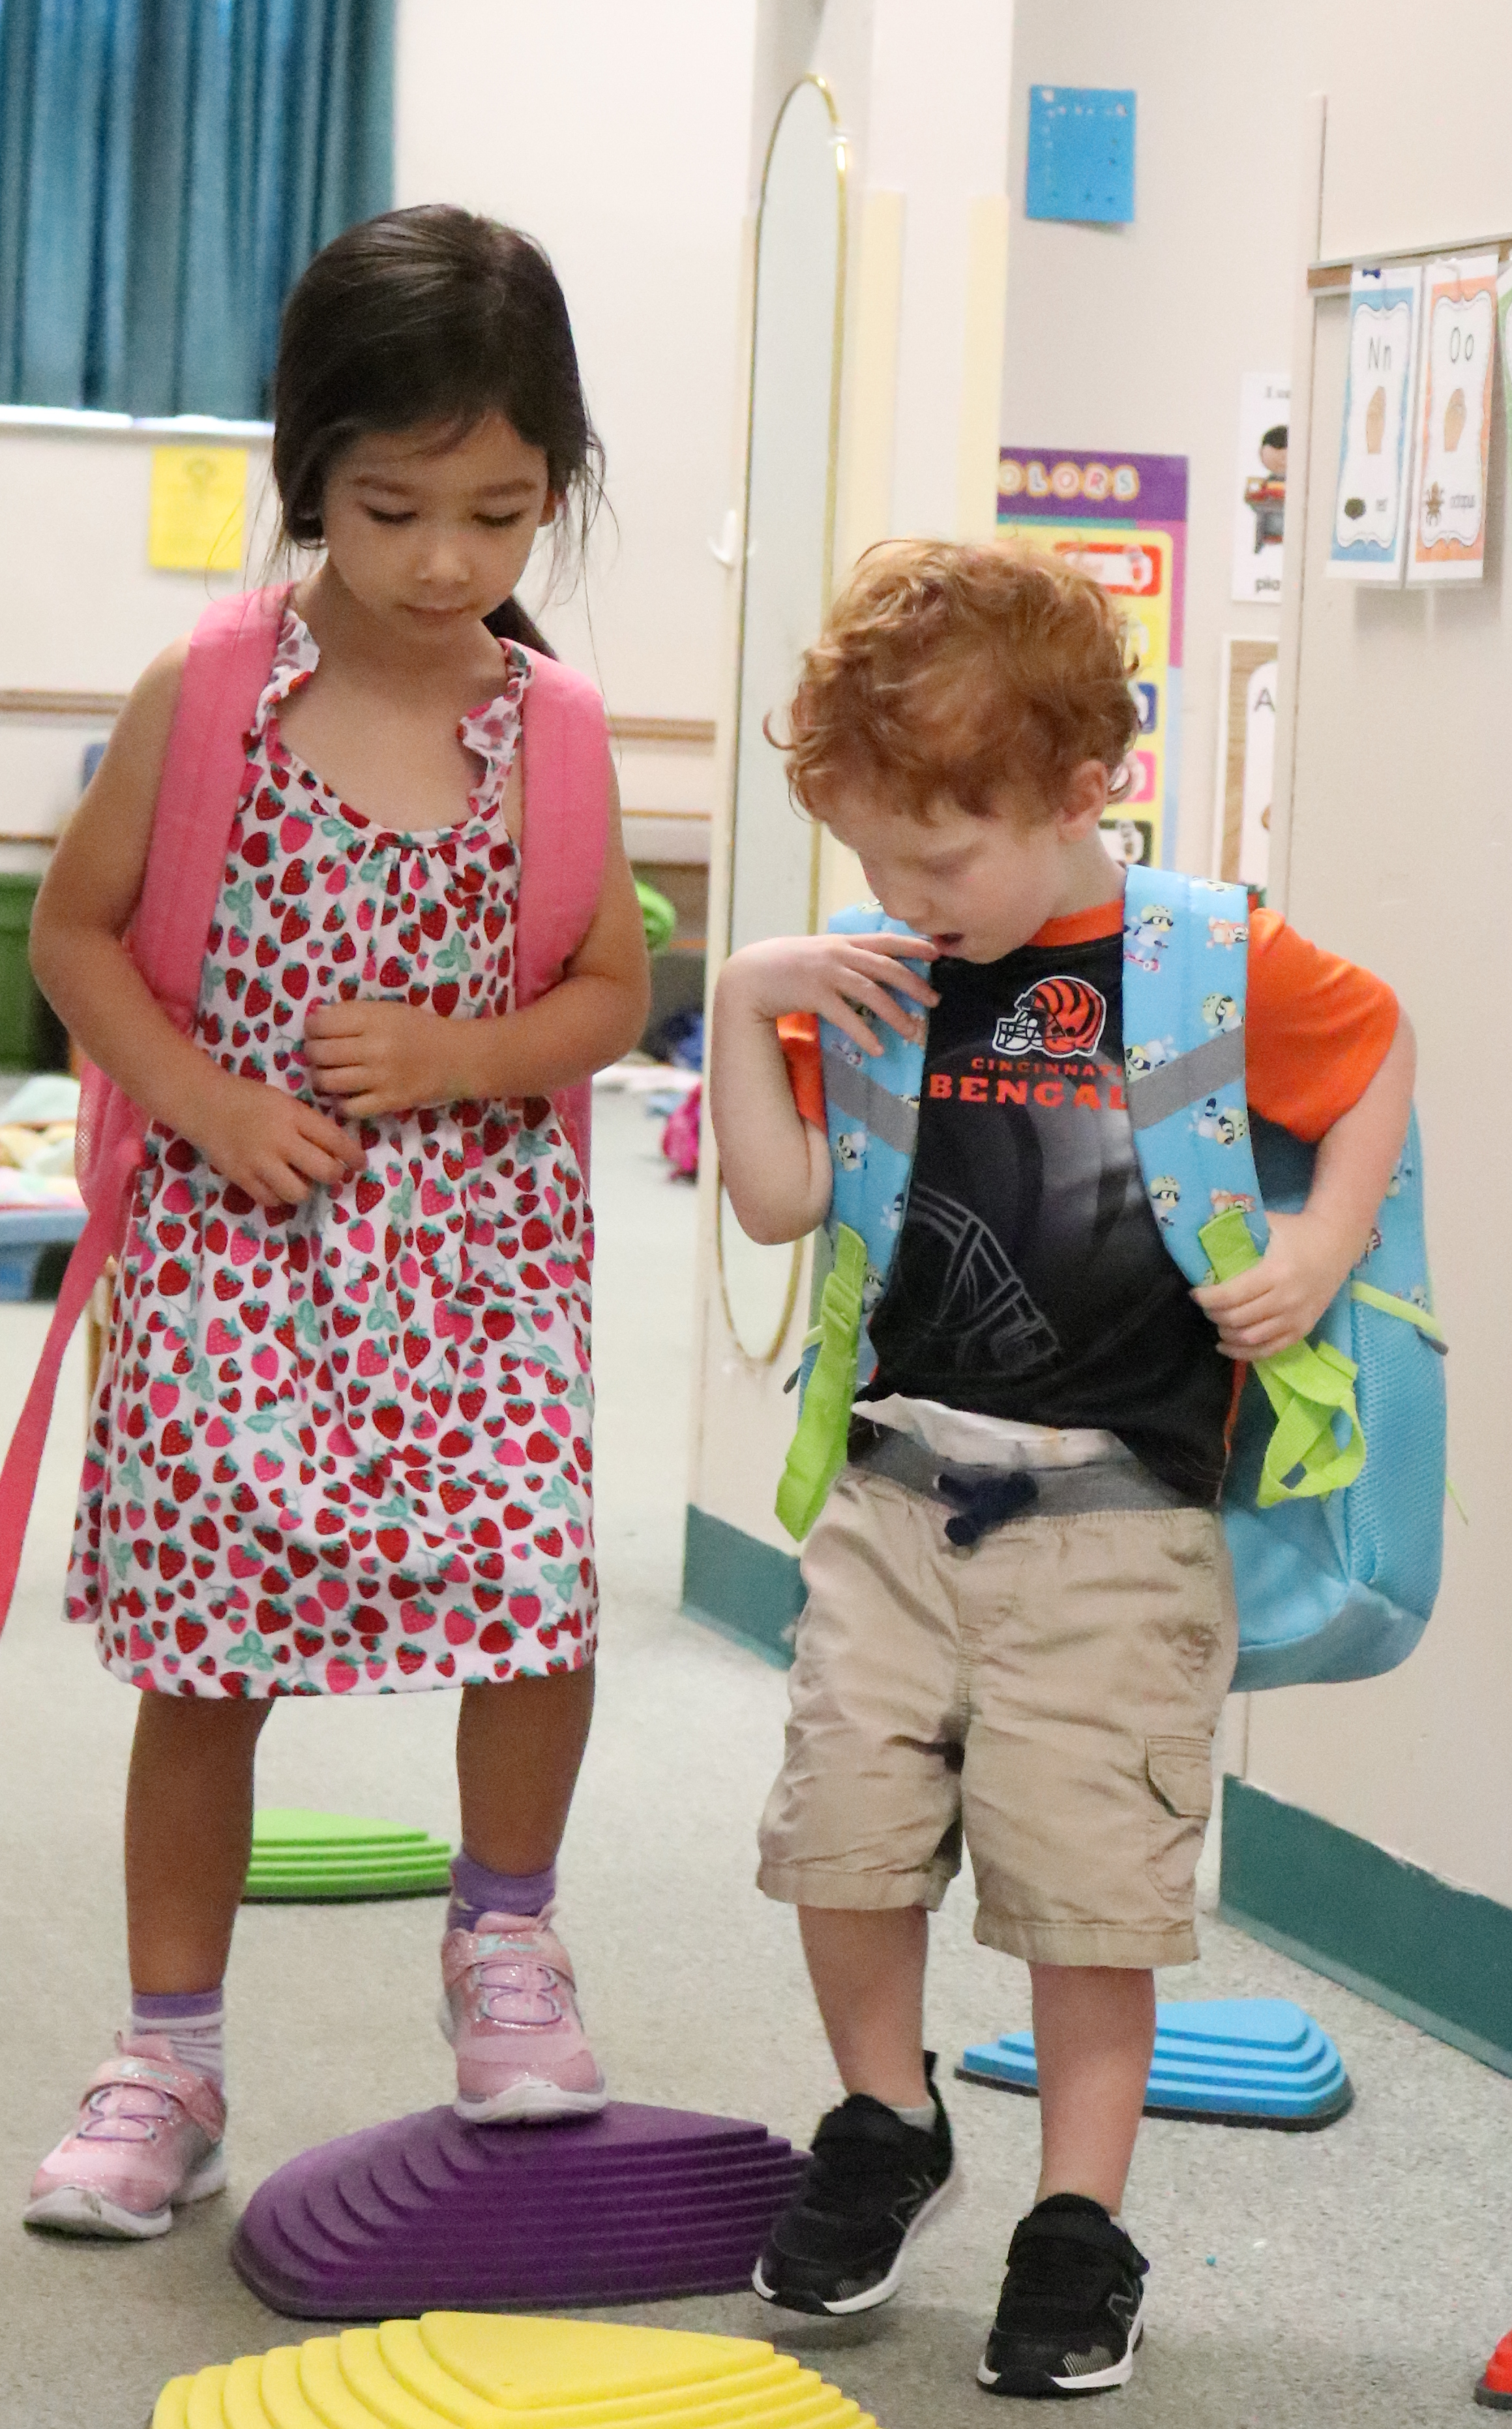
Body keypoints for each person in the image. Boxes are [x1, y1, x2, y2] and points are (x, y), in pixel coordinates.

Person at [708, 539, 1414, 2400]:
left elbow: (1374, 1055)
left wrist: (1327, 1244)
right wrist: (744, 995)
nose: (905, 899)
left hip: (1118, 1521)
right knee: (842, 1833)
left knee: (1085, 1889)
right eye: (871, 859)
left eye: (942, 860)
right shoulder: (864, 977)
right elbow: (779, 1200)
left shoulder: (1204, 952)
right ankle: (885, 2119)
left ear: (1081, 790)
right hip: (890, 1493)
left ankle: (1077, 2221)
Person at [23, 205, 649, 2240]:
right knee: (203, 1666)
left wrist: (467, 1054)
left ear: (556, 485)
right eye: (393, 508)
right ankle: (167, 2053)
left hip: (472, 1272)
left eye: (501, 507)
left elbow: (608, 995)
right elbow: (78, 934)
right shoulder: (206, 691)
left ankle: (508, 1942)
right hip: (228, 1264)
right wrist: (203, 1097)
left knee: (534, 1598)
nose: (449, 559)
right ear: (312, 476)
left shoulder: (550, 730)